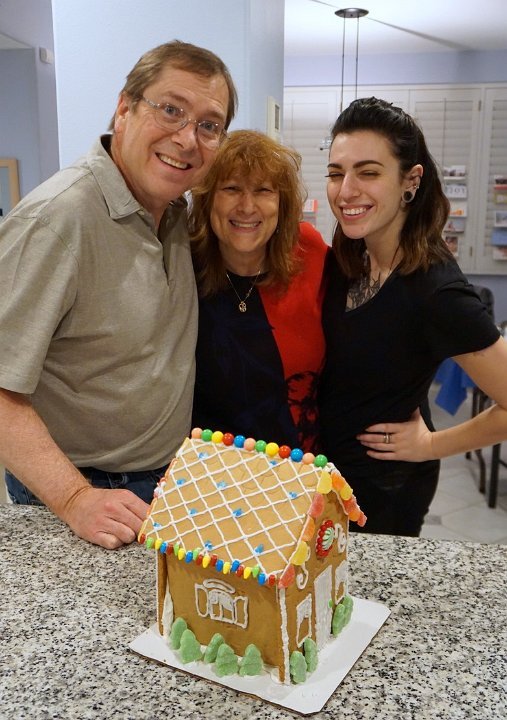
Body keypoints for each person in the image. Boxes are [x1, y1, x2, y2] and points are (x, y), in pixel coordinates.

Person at [0, 41, 237, 549]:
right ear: (124, 108)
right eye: (170, 110)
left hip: (164, 480)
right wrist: (74, 499)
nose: (187, 138)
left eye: (208, 125)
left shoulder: (174, 213)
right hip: (81, 495)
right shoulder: (56, 220)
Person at [319, 96, 507, 536]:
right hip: (328, 477)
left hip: (382, 492)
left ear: (411, 180)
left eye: (368, 172)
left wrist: (431, 445)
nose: (346, 191)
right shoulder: (352, 257)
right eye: (336, 173)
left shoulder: (436, 290)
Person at [190, 129, 329, 451]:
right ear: (208, 199)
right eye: (231, 189)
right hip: (212, 467)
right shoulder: (183, 265)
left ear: (282, 204)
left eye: (263, 190)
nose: (247, 206)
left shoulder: (309, 252)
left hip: (302, 465)